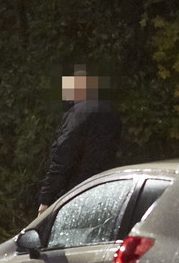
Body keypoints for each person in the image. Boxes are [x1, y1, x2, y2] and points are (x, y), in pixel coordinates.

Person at [37, 67, 122, 214]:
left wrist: (46, 198)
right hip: (105, 186)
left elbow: (63, 157)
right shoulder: (110, 111)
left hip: (77, 190)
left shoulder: (78, 114)